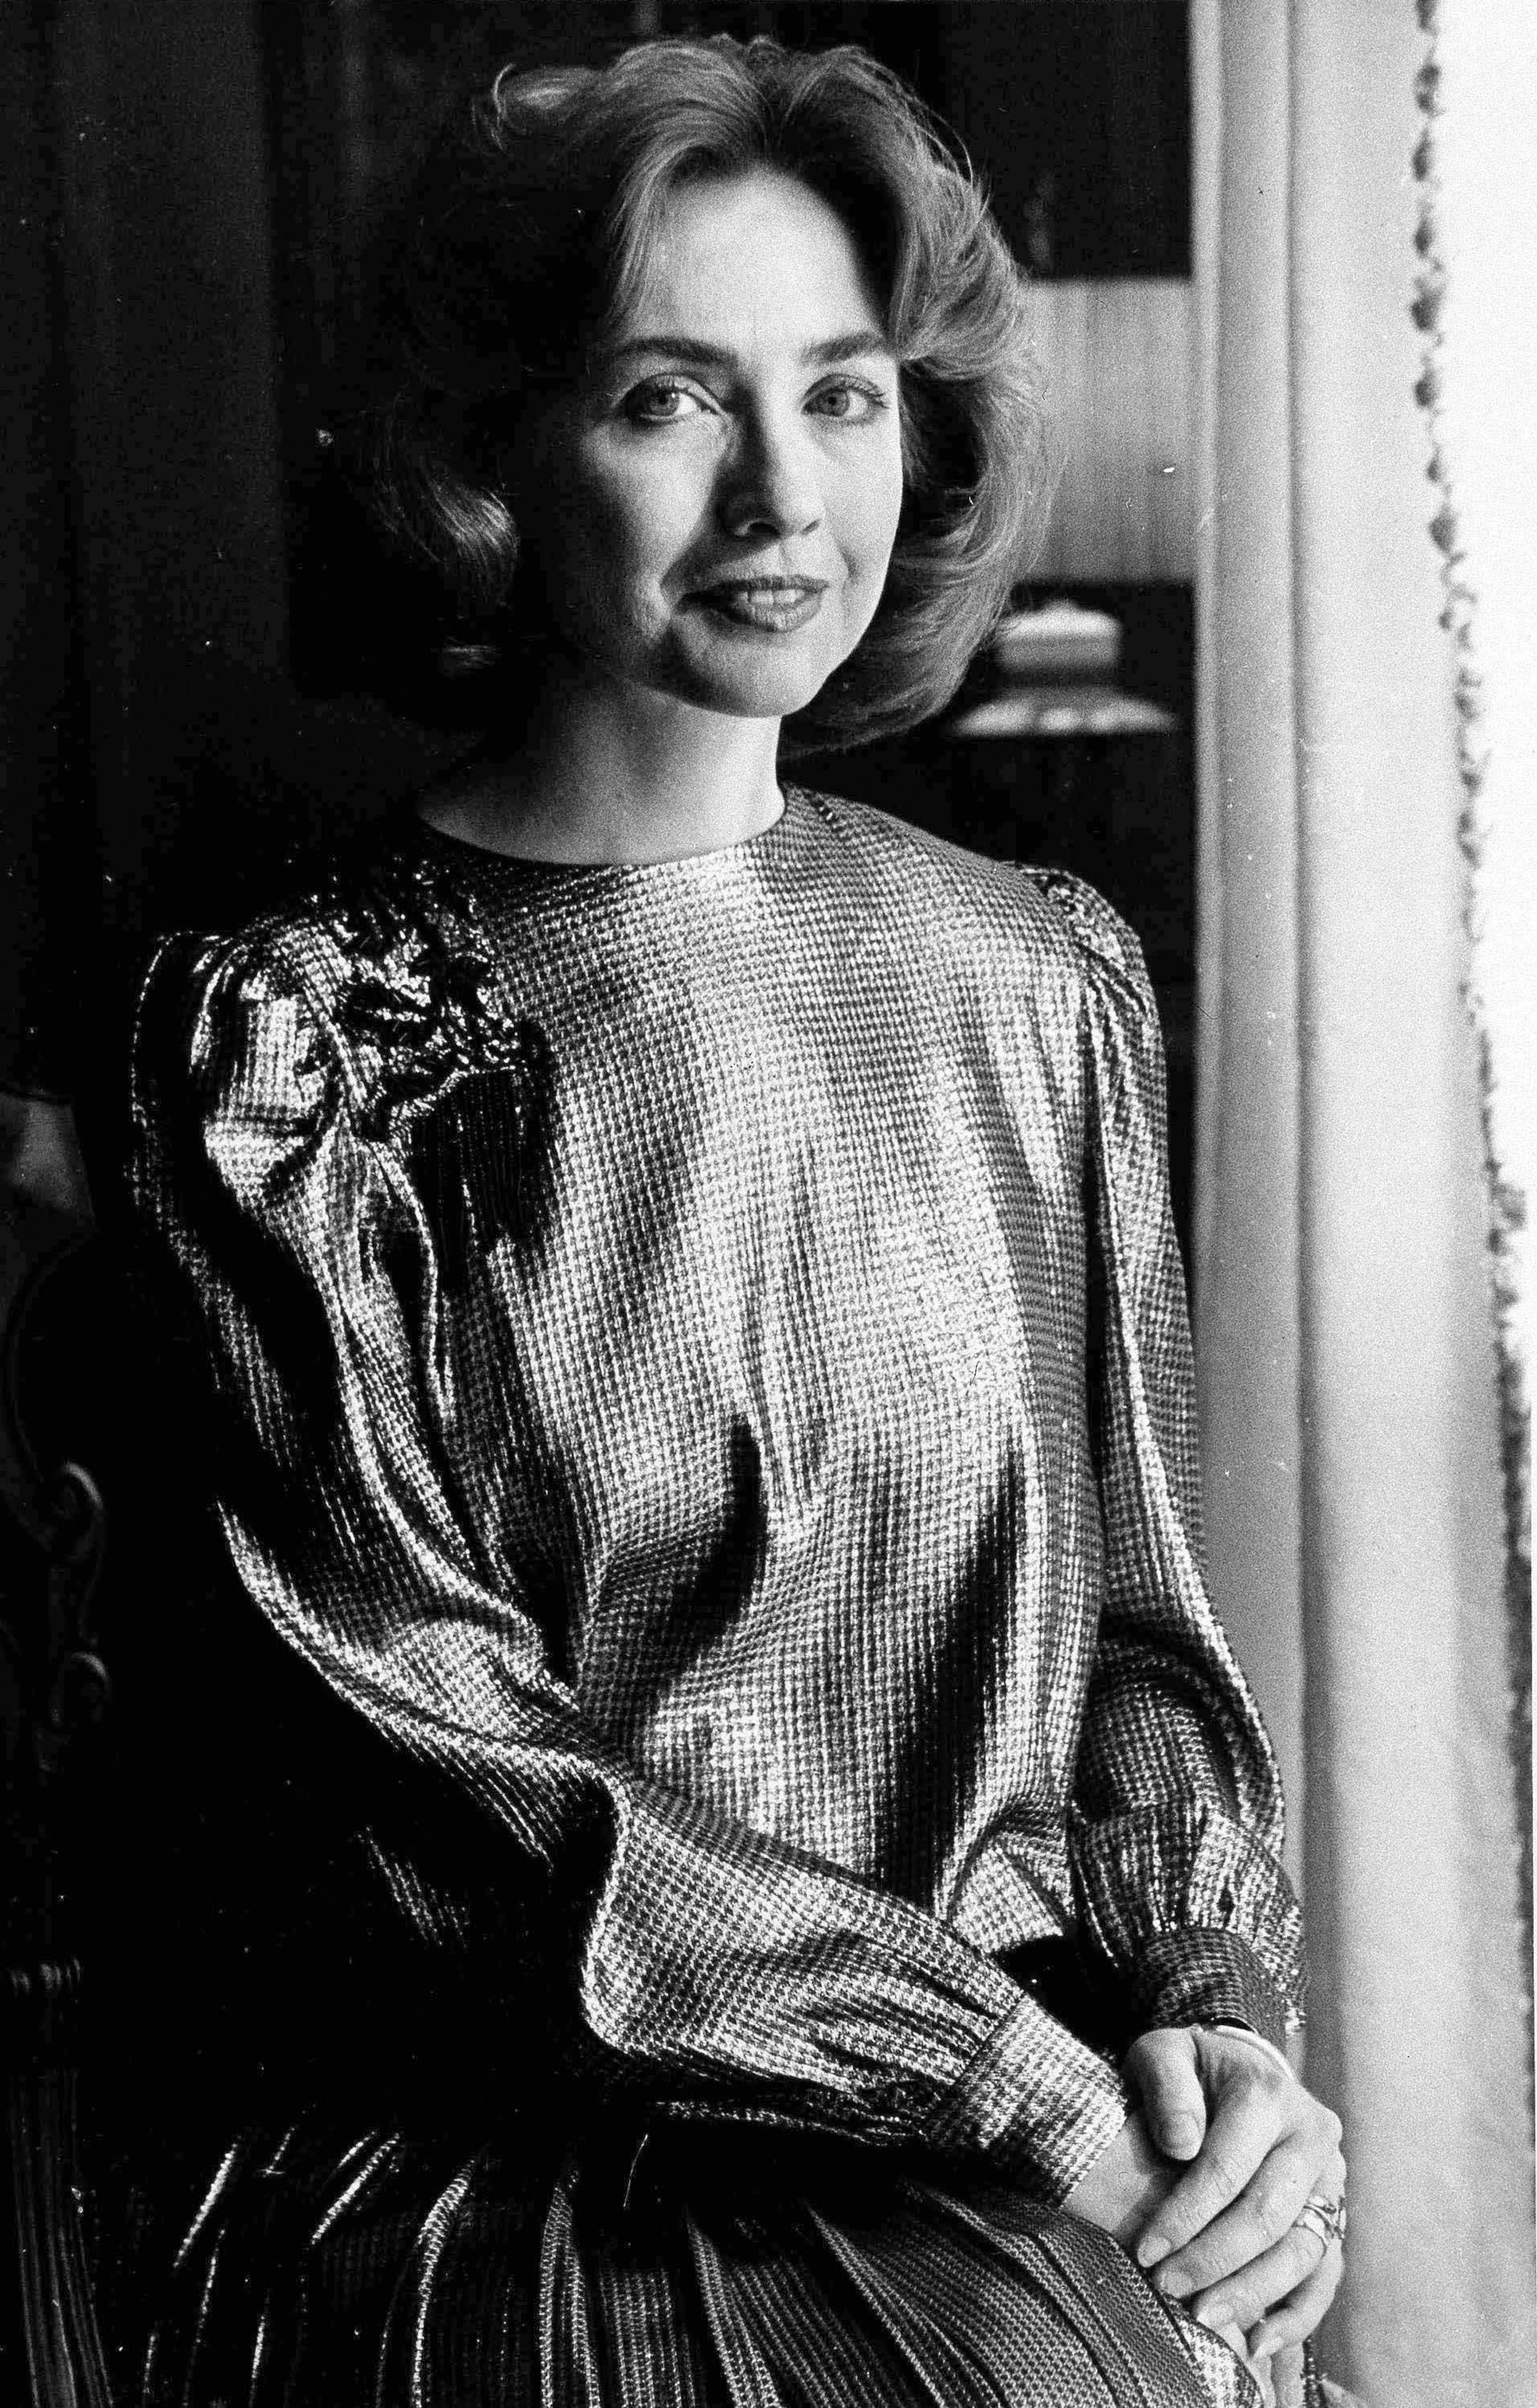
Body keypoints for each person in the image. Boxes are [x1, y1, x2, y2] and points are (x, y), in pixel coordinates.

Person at [123, 35, 1347, 2408]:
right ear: (495, 453)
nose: (788, 493)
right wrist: (1014, 2088)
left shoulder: (1041, 974)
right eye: (675, 400)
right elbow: (461, 1796)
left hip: (1040, 2141)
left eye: (851, 396)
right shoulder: (298, 1042)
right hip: (549, 2192)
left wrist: (1210, 2040)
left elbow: (1144, 1651)